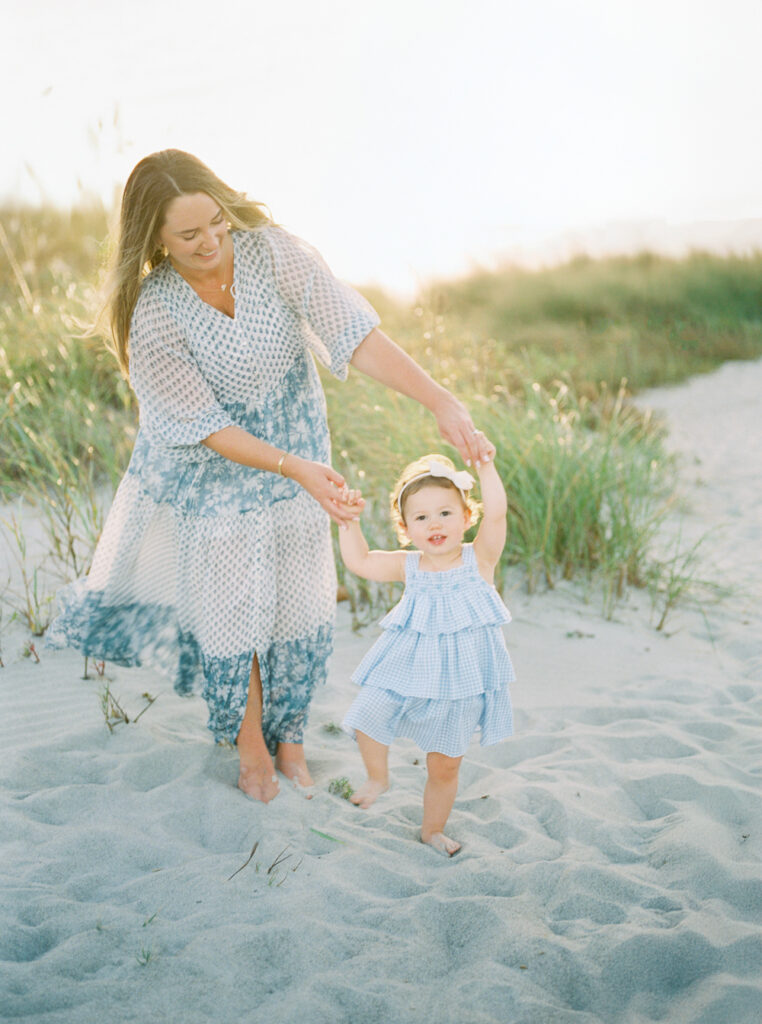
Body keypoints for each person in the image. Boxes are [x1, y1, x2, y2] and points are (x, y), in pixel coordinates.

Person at [46, 149, 493, 804]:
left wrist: (439, 399)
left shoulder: (274, 254)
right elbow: (204, 425)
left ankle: (292, 737)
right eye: (189, 235)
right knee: (234, 608)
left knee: (296, 599)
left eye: (217, 223)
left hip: (299, 441)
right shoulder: (156, 312)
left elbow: (353, 332)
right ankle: (251, 741)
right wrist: (293, 469)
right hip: (213, 464)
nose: (211, 243)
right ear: (156, 240)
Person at [337, 450, 515, 855]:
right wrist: (349, 521)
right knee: (367, 714)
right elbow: (361, 561)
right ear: (406, 529)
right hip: (407, 670)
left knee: (445, 765)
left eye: (445, 513)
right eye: (421, 517)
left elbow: (499, 515)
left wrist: (486, 465)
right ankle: (377, 778)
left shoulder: (479, 559)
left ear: (467, 517)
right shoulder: (409, 565)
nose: (434, 524)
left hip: (461, 684)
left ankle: (432, 830)